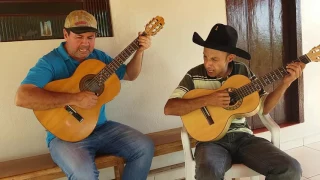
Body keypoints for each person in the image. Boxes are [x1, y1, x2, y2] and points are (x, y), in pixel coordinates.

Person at [15, 10, 154, 180]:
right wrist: (74, 98)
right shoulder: (49, 62)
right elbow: (22, 97)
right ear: (66, 34)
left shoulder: (98, 57)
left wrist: (139, 51)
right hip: (65, 137)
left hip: (101, 128)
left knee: (144, 147)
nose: (85, 44)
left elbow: (130, 75)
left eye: (90, 38)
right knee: (84, 174)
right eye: (79, 37)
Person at [164, 23, 304, 180]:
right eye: (205, 56)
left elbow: (264, 108)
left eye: (214, 59)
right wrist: (209, 99)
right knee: (208, 172)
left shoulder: (242, 72)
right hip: (210, 142)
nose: (207, 63)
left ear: (230, 58)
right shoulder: (193, 75)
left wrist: (285, 83)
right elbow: (169, 108)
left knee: (290, 168)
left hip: (243, 139)